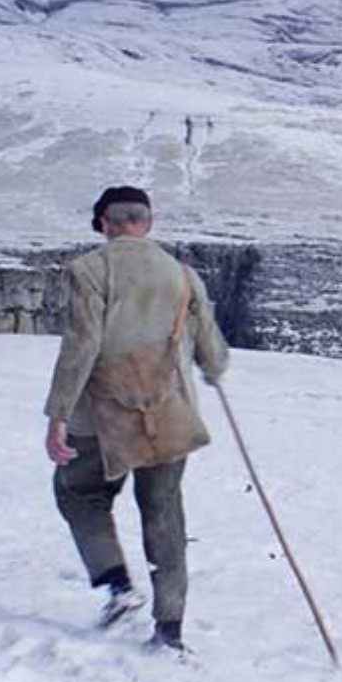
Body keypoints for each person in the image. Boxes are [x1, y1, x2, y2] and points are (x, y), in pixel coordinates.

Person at [43, 185, 230, 652]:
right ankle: (170, 629)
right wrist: (210, 370)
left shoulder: (88, 270)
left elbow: (81, 346)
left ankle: (115, 583)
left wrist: (57, 415)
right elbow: (213, 352)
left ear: (103, 223)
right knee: (164, 514)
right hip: (169, 413)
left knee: (78, 493)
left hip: (98, 419)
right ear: (146, 223)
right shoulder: (183, 275)